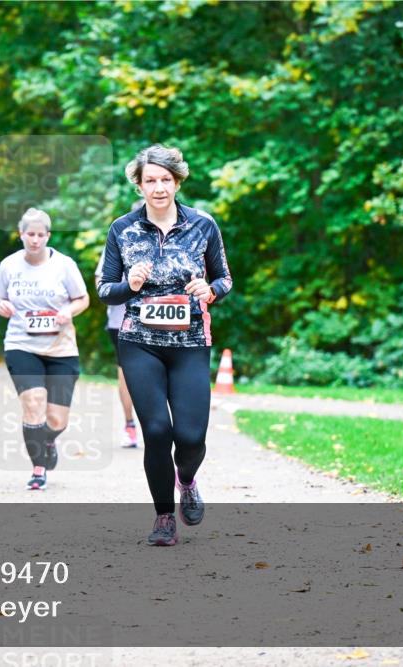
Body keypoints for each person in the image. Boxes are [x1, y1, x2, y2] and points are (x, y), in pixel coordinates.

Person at [97, 144, 232, 546]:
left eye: (165, 180)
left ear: (177, 181)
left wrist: (209, 290)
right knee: (156, 430)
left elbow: (225, 278)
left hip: (190, 342)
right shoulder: (122, 229)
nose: (158, 187)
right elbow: (105, 290)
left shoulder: (203, 225)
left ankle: (186, 480)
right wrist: (130, 285)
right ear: (138, 185)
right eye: (150, 180)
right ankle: (163, 518)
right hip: (140, 342)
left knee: (191, 437)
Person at [0, 208, 90, 490]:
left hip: (61, 348)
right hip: (22, 344)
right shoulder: (9, 265)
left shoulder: (64, 265)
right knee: (33, 404)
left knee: (57, 420)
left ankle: (47, 439)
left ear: (48, 236)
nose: (35, 240)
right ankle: (38, 468)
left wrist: (69, 310)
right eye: (30, 234)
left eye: (40, 235)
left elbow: (83, 298)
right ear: (21, 235)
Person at [94, 247, 138, 449]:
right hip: (122, 320)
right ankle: (130, 425)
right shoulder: (119, 238)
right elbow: (100, 283)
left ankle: (161, 427)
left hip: (161, 320)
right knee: (126, 372)